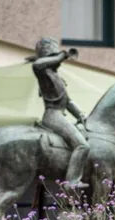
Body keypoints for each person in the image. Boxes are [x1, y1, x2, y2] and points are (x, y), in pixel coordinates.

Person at [31, 37, 89, 192]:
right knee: (82, 145)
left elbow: (68, 102)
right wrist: (62, 55)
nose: (58, 61)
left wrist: (80, 115)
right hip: (53, 115)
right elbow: (37, 64)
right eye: (53, 57)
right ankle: (72, 181)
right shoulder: (42, 72)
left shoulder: (56, 77)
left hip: (60, 114)